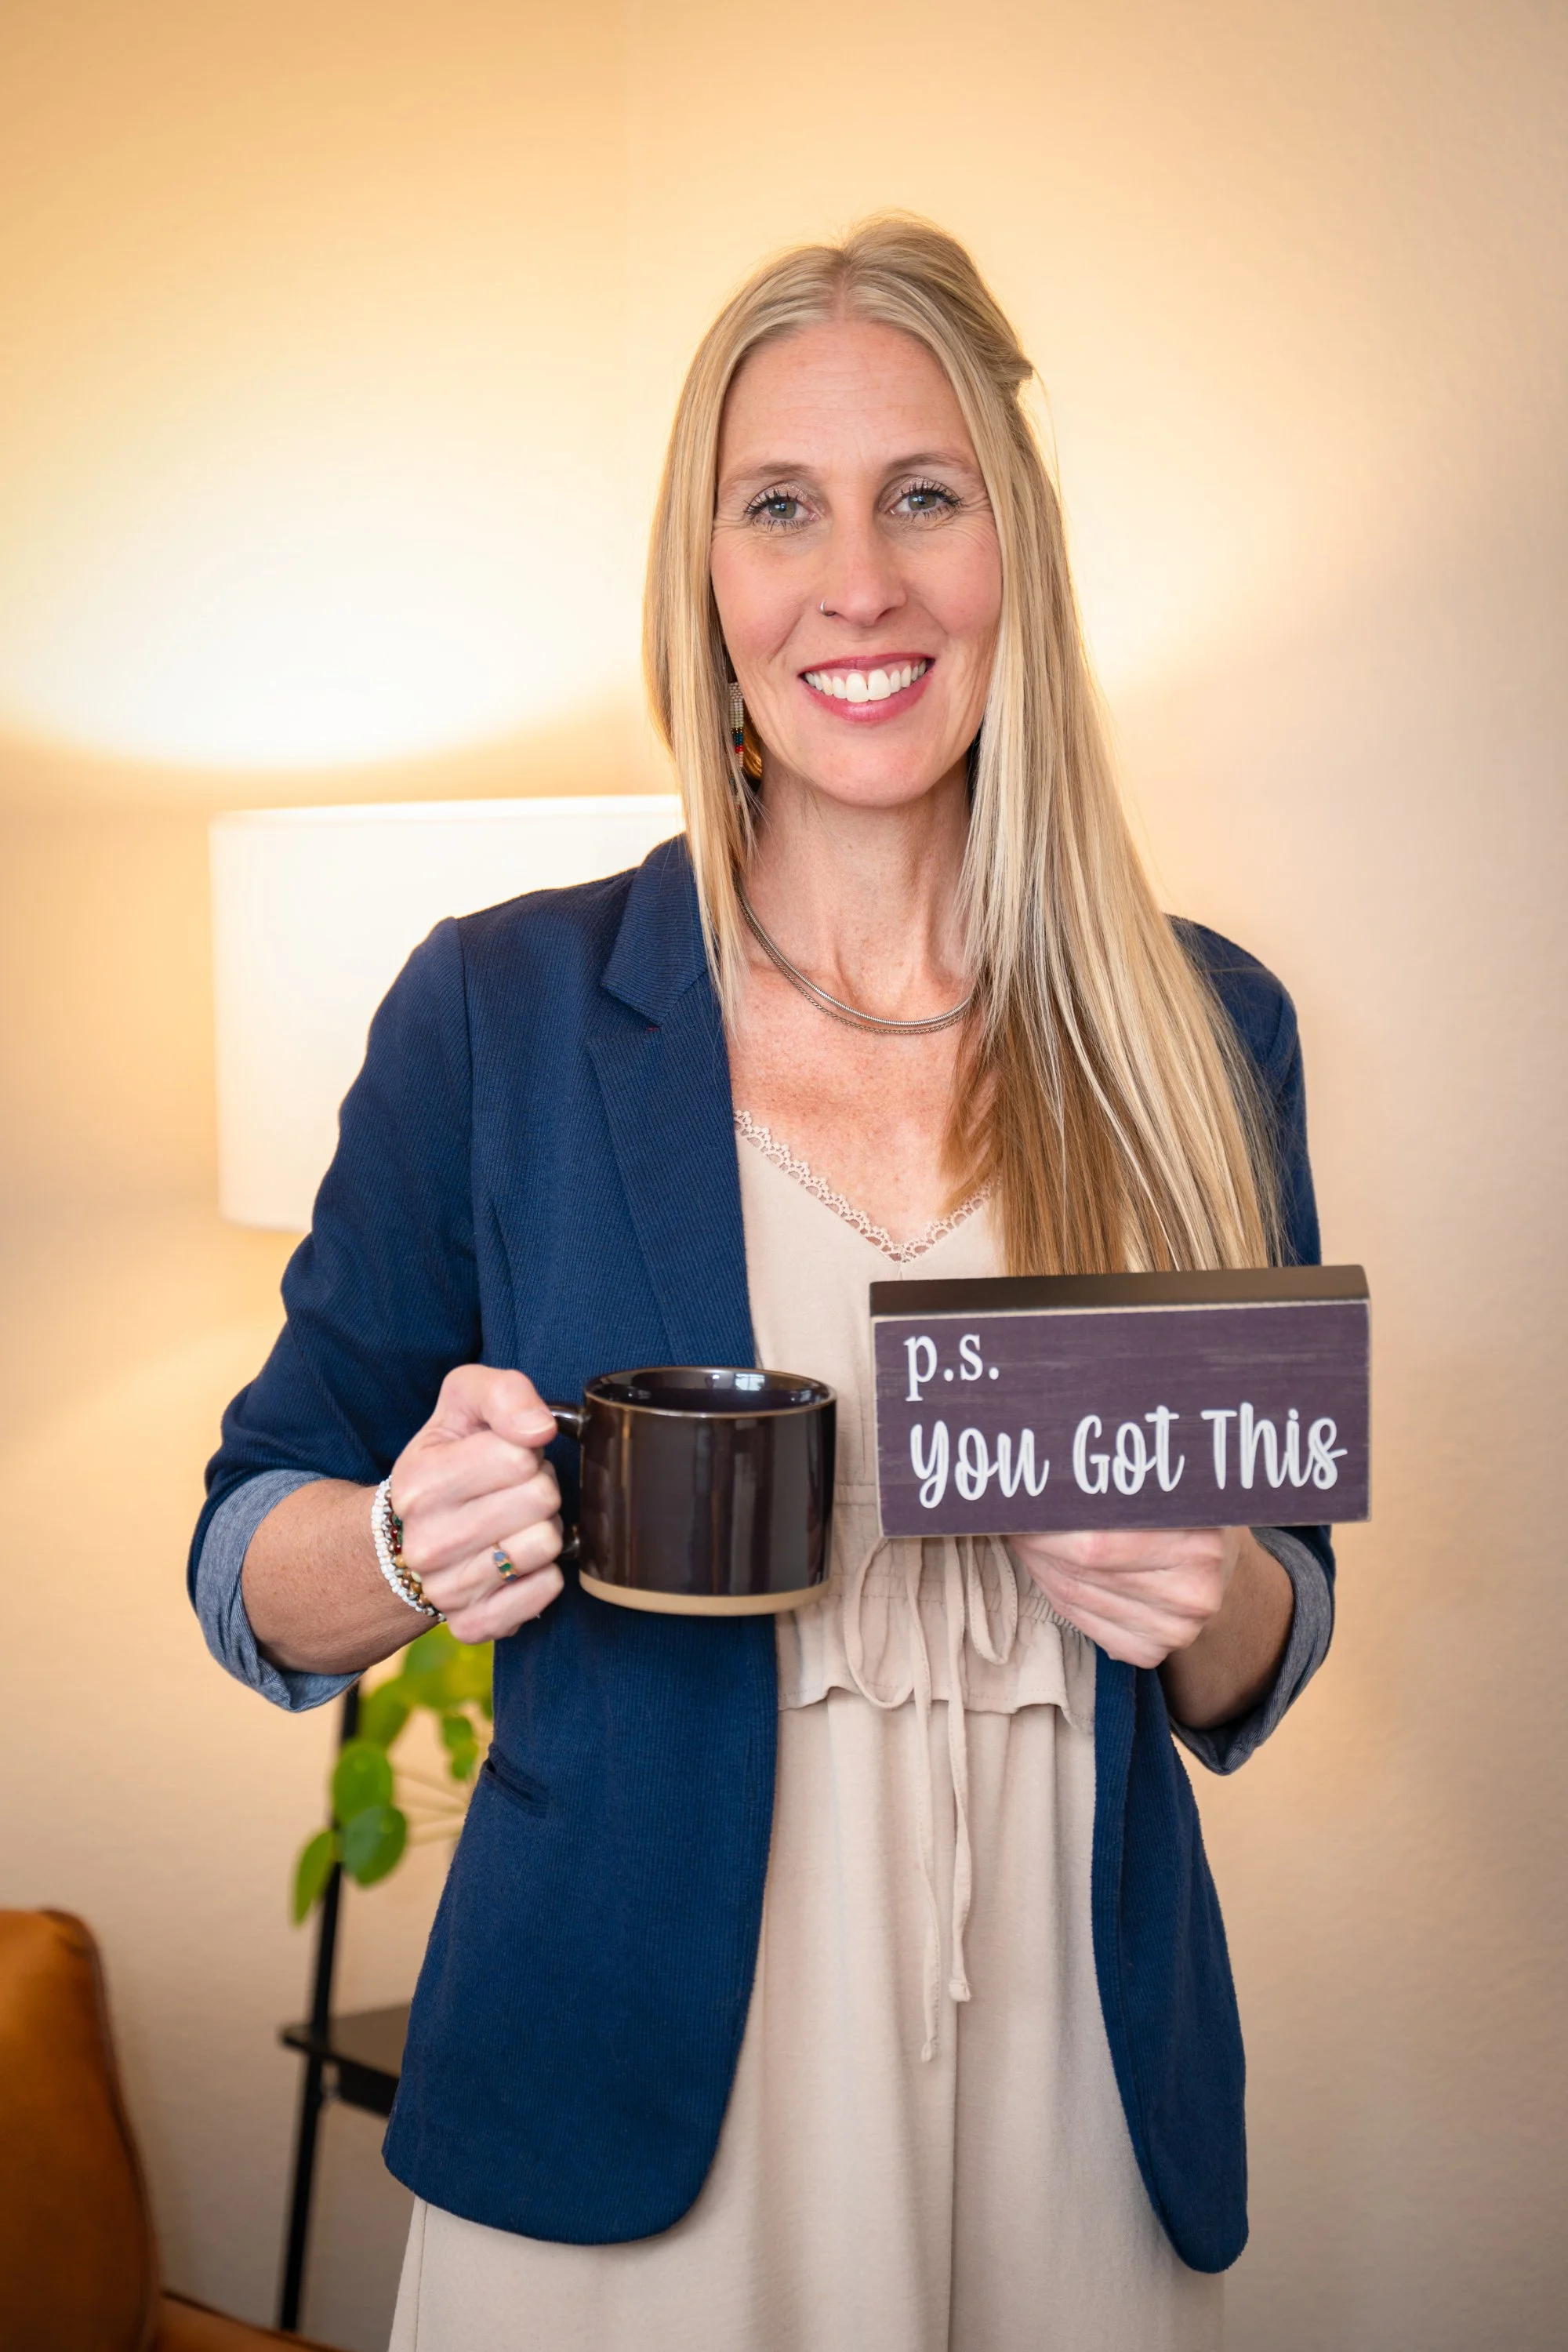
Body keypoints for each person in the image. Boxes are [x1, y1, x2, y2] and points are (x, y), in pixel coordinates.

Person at [192, 216, 1334, 2352]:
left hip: (1069, 2083)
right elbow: (246, 1540)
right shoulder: (501, 1009)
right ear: (704, 582)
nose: (859, 581)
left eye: (924, 496)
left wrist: (1221, 1599)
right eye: (780, 508)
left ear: (1019, 552)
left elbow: (1272, 1607)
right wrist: (405, 1547)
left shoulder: (1205, 1026)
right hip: (622, 2097)